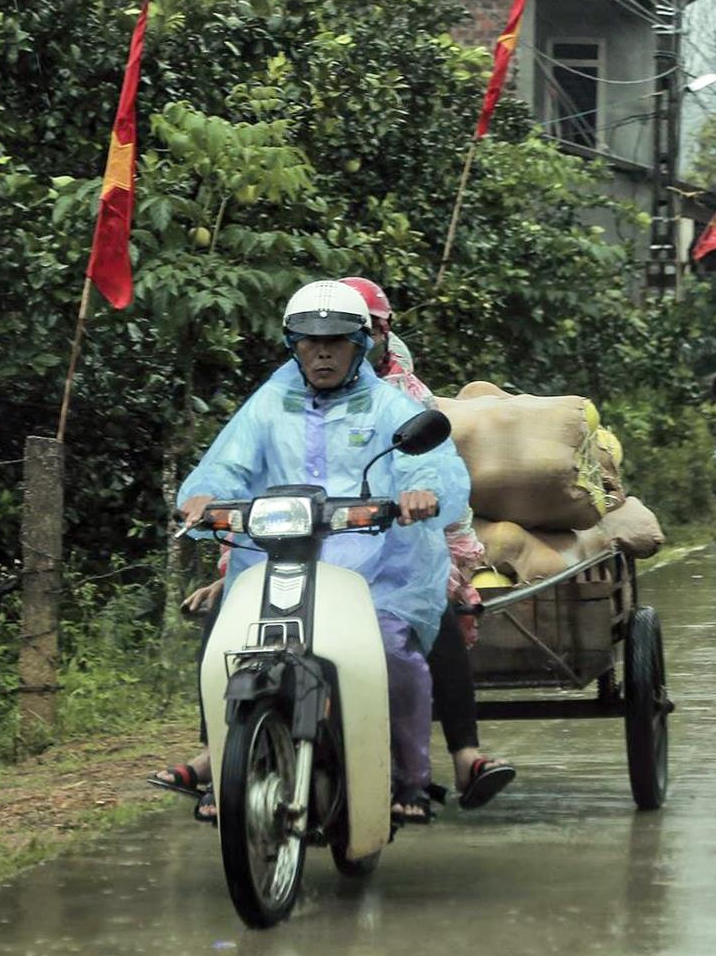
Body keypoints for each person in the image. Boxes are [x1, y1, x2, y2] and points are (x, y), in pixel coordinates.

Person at [163, 279, 469, 824]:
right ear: (292, 345)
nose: (321, 351)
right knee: (227, 641)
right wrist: (204, 496)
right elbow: (226, 463)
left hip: (378, 567)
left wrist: (421, 491)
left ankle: (409, 779)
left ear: (361, 345)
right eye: (308, 341)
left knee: (393, 653)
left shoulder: (389, 404)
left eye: (336, 341)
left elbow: (430, 466)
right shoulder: (268, 404)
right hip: (278, 557)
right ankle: (229, 761)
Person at [340, 276, 516, 810]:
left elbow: (439, 471)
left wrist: (428, 507)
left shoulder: (407, 397)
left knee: (434, 600)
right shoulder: (293, 394)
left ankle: (464, 754)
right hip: (322, 537)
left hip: (397, 539)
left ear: (381, 332)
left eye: (358, 330)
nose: (340, 345)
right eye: (324, 337)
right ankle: (224, 752)